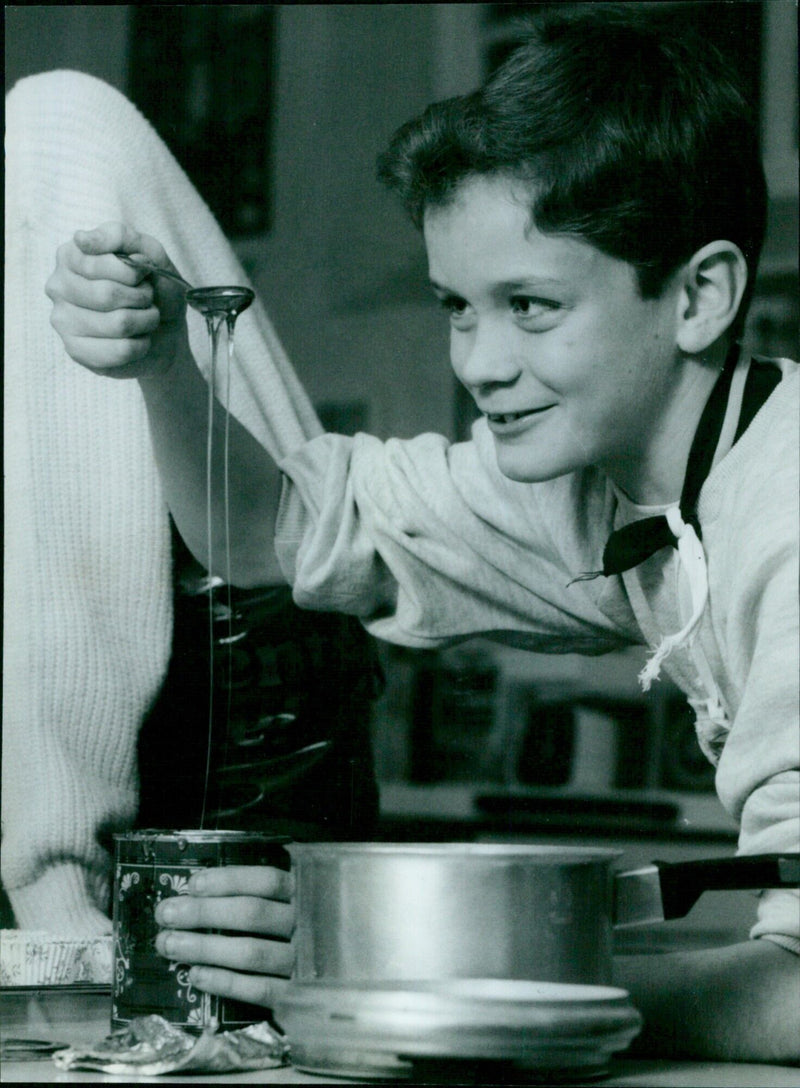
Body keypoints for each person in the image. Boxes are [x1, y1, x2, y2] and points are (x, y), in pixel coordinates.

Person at [45, 7, 798, 1062]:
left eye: (530, 306)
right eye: (457, 305)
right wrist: (165, 361)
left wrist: (411, 962)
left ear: (699, 295)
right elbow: (269, 531)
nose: (478, 362)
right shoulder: (605, 486)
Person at [3, 68, 379, 941]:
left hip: (219, 760)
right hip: (246, 695)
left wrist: (55, 888)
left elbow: (74, 567)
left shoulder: (49, 142)